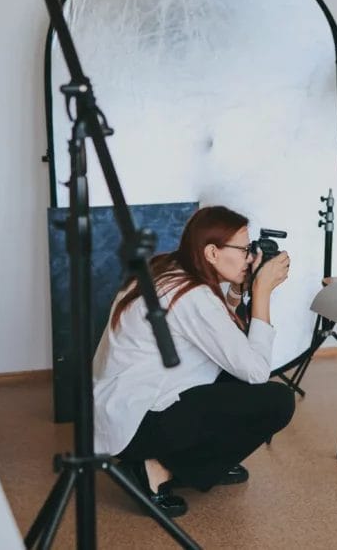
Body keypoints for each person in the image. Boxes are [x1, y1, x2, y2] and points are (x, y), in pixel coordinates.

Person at [92, 205, 295, 518]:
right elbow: (256, 371)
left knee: (237, 377)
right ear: (212, 252)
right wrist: (263, 292)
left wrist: (239, 293)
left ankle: (204, 464)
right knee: (278, 400)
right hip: (135, 424)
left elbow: (231, 343)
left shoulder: (169, 268)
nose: (249, 256)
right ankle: (153, 470)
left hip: (123, 406)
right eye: (243, 249)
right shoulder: (192, 296)